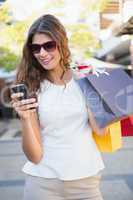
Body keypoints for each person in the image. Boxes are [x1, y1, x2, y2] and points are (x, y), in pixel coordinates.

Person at [11, 14, 108, 200]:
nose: (42, 53)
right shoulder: (31, 86)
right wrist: (25, 119)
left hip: (86, 181)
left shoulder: (84, 77)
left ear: (62, 43)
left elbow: (99, 130)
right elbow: (35, 156)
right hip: (43, 184)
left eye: (49, 45)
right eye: (36, 48)